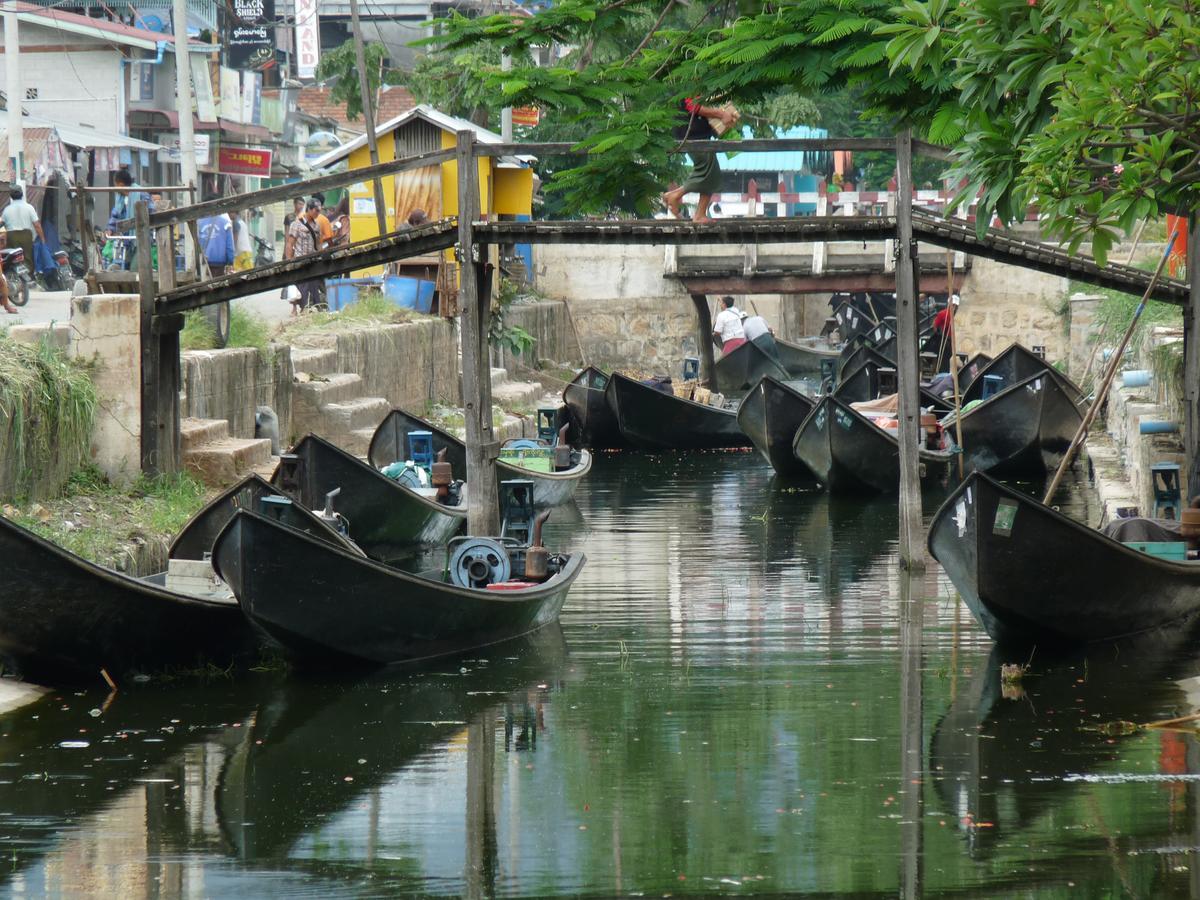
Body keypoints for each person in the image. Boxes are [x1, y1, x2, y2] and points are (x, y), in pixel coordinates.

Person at [661, 97, 736, 223]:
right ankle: (677, 196)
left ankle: (698, 213)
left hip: (698, 134)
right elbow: (692, 106)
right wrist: (721, 114)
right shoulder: (689, 81)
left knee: (712, 174)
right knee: (708, 171)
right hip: (692, 134)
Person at [106, 169, 151, 270]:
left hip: (141, 239)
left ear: (121, 184)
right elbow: (115, 214)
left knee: (135, 268)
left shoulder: (141, 194)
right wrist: (110, 228)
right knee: (118, 265)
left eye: (115, 184)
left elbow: (151, 214)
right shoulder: (120, 198)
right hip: (125, 241)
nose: (115, 187)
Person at [285, 199, 324, 313]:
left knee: (313, 286)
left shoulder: (317, 226)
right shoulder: (296, 224)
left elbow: (318, 244)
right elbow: (290, 243)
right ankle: (302, 309)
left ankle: (314, 307)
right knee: (302, 287)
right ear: (310, 210)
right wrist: (289, 261)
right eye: (316, 210)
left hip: (313, 261)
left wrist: (320, 256)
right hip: (300, 261)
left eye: (319, 211)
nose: (318, 213)